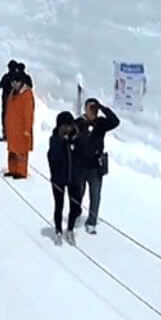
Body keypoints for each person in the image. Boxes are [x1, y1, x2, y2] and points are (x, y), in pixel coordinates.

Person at [74, 98, 120, 234]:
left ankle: (92, 222)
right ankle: (76, 214)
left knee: (95, 195)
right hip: (81, 165)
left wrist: (103, 108)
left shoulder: (101, 123)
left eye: (93, 108)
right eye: (88, 108)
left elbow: (116, 122)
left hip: (95, 167)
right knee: (78, 193)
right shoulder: (79, 122)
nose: (90, 111)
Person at [48, 111, 85, 246]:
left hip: (74, 179)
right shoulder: (54, 140)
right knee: (59, 206)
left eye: (70, 125)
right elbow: (52, 158)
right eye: (65, 126)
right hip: (59, 179)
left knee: (75, 206)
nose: (68, 128)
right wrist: (62, 141)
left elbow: (82, 156)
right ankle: (58, 230)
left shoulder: (77, 139)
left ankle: (70, 229)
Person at [4, 73, 35, 179]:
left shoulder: (27, 94)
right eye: (12, 82)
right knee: (12, 150)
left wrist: (27, 129)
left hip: (21, 128)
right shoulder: (13, 93)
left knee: (21, 151)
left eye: (15, 82)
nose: (13, 84)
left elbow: (28, 113)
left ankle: (21, 171)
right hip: (12, 127)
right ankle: (12, 169)